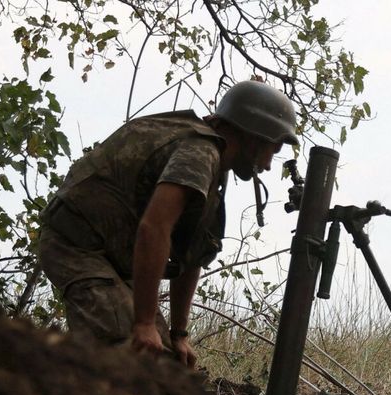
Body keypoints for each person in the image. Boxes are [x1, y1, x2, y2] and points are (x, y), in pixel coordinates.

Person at [37, 79, 298, 363]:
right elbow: (154, 227)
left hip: (112, 257)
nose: (270, 164)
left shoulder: (214, 163)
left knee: (169, 363)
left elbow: (193, 253)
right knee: (132, 353)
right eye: (272, 149)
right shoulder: (200, 154)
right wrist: (144, 323)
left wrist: (179, 334)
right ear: (253, 135)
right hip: (76, 246)